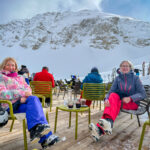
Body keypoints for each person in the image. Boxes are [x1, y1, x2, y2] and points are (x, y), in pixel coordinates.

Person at [0, 57, 59, 149]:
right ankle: (44, 138)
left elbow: (28, 89)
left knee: (34, 99)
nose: (11, 67)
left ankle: (36, 132)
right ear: (3, 66)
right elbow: (2, 94)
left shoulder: (20, 77)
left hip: (23, 102)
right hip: (10, 105)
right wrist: (21, 95)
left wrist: (25, 95)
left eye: (13, 65)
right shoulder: (2, 77)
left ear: (15, 67)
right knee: (36, 106)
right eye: (8, 65)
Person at [89, 60, 146, 142]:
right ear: (120, 68)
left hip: (132, 103)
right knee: (112, 97)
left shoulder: (135, 78)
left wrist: (130, 98)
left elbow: (142, 94)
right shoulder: (118, 79)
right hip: (120, 101)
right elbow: (111, 92)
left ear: (130, 68)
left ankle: (100, 129)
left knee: (115, 102)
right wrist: (106, 99)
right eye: (123, 66)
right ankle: (108, 124)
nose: (125, 67)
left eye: (127, 66)